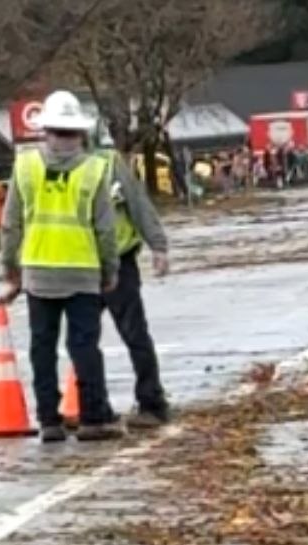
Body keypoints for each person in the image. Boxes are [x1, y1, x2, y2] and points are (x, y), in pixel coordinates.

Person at [0, 90, 122, 444]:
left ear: (46, 130)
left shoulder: (25, 167)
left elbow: (10, 224)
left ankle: (49, 421)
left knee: (42, 347)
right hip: (82, 270)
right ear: (80, 132)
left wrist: (11, 270)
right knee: (84, 347)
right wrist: (110, 270)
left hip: (38, 271)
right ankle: (92, 419)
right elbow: (105, 228)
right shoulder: (95, 170)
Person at [93, 137, 173, 428]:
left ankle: (151, 402)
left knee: (133, 333)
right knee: (83, 342)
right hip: (79, 265)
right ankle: (94, 408)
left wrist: (158, 246)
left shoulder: (109, 162)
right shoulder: (50, 166)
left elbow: (138, 205)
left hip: (118, 261)